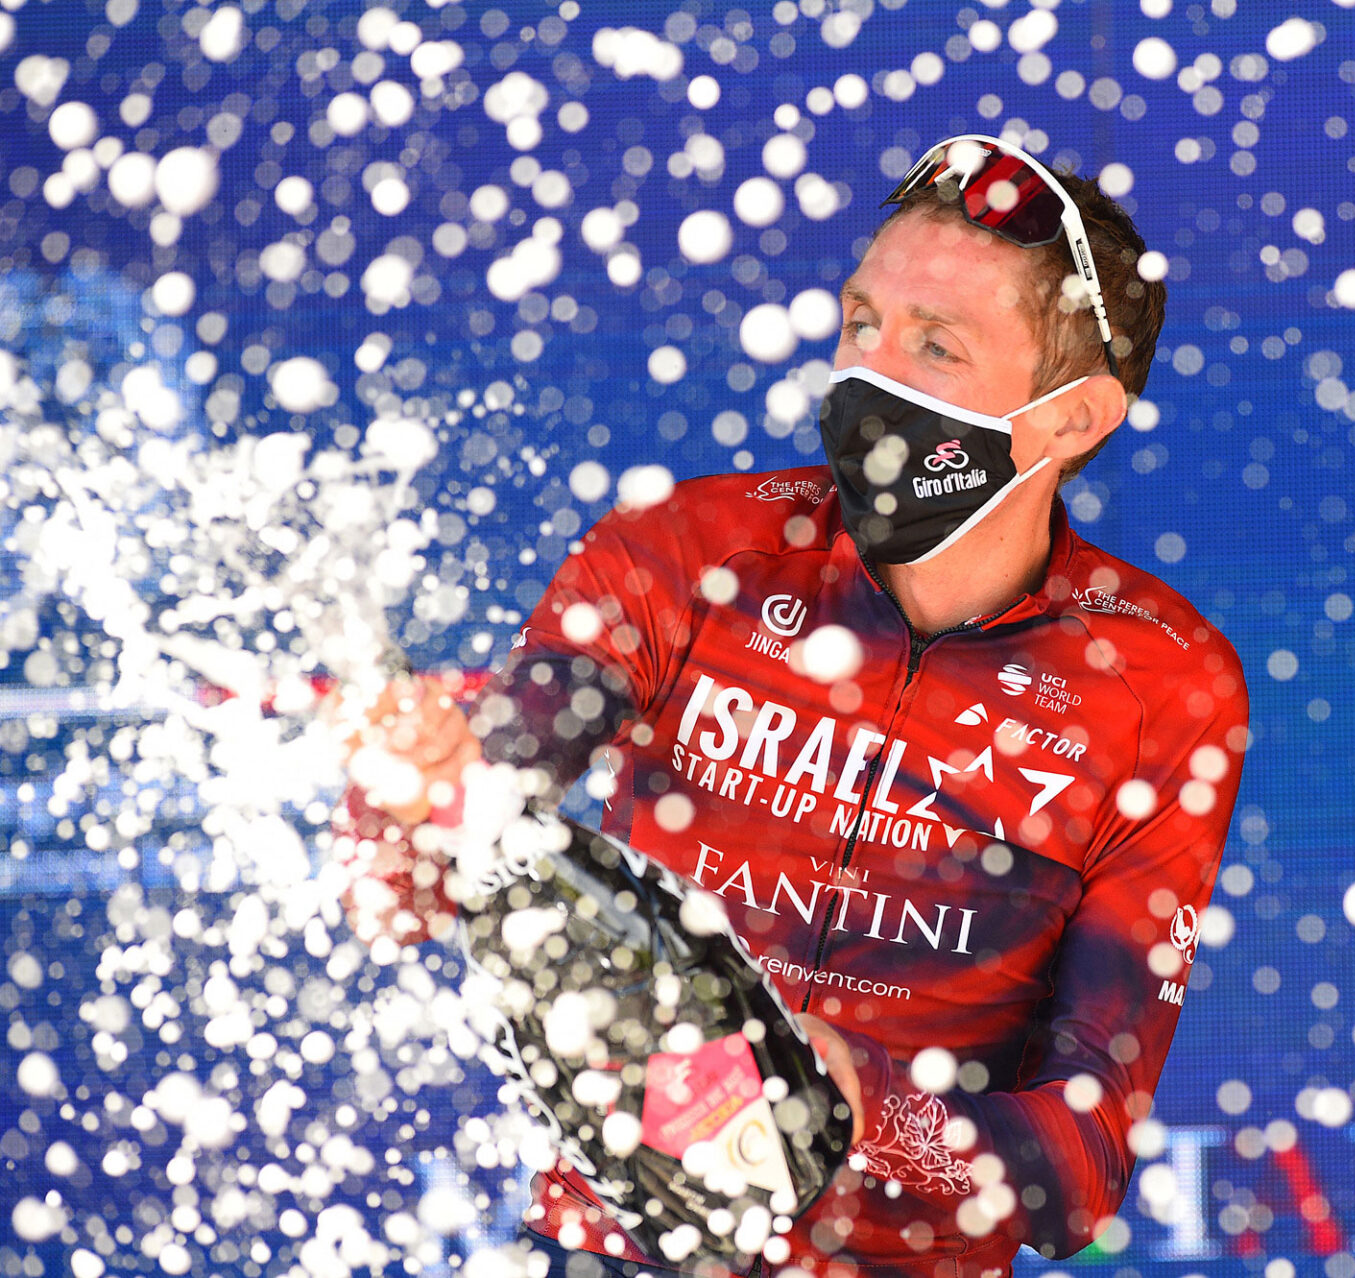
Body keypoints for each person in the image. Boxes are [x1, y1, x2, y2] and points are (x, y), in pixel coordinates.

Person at [334, 135, 1249, 1278]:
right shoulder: (688, 552)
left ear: (1073, 420)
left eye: (936, 346)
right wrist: (420, 798)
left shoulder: (1162, 686)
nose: (871, 377)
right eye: (861, 323)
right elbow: (448, 852)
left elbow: (1077, 1173)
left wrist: (864, 1105)